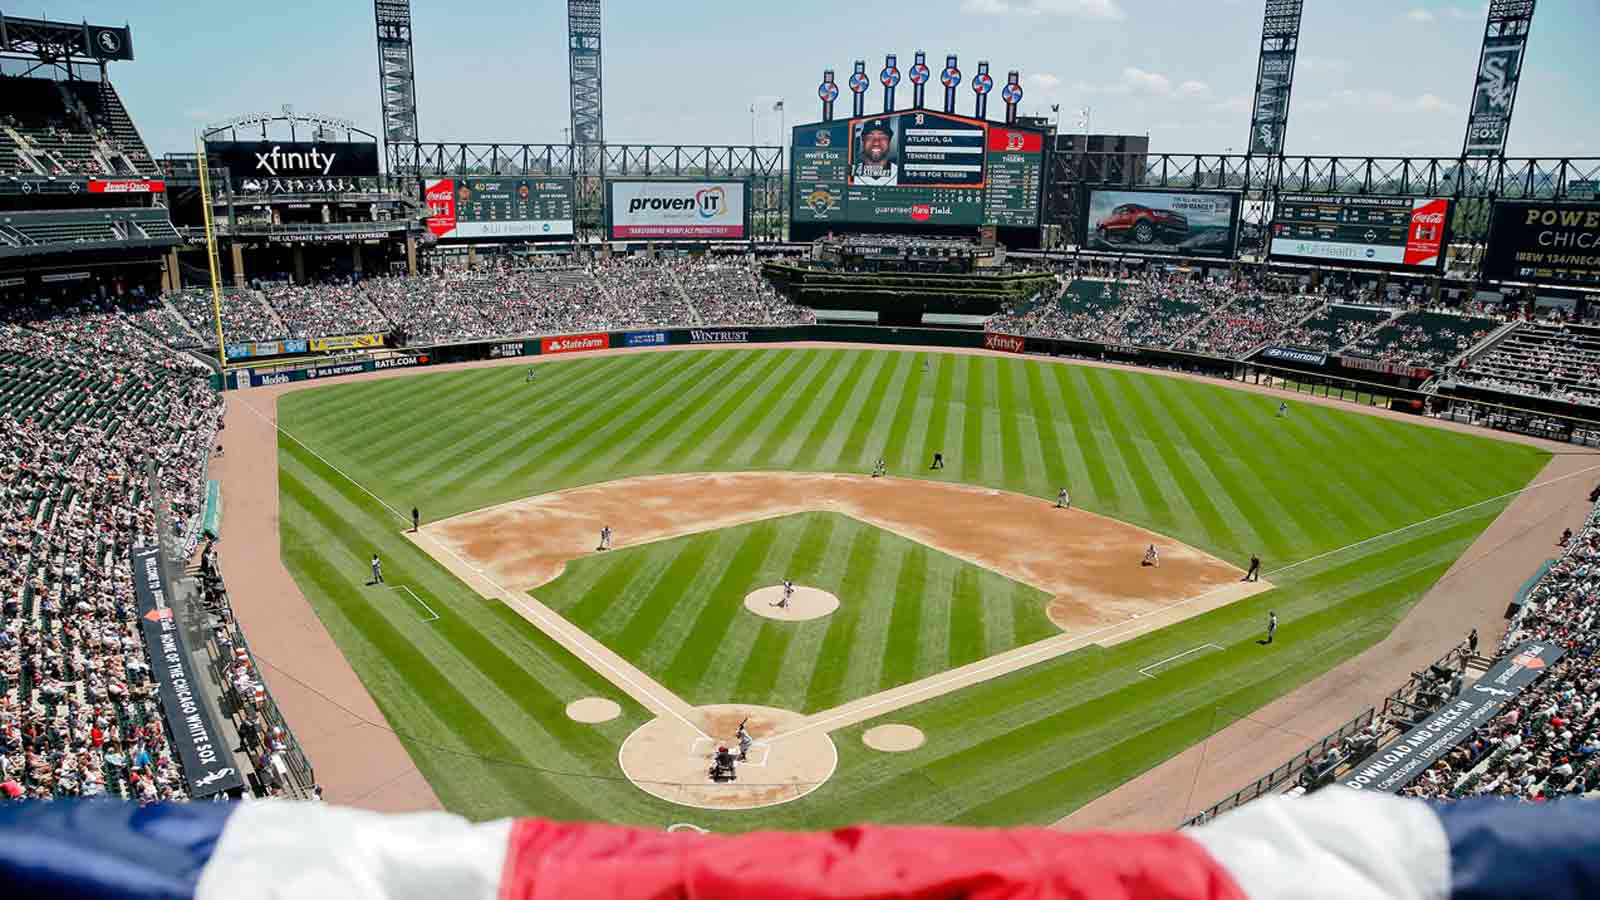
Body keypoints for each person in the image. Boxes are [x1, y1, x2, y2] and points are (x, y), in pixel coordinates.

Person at [851, 119, 899, 186]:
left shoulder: (899, 174)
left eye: (882, 137)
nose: (876, 142)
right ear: (863, 140)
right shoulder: (851, 173)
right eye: (870, 137)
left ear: (889, 140)